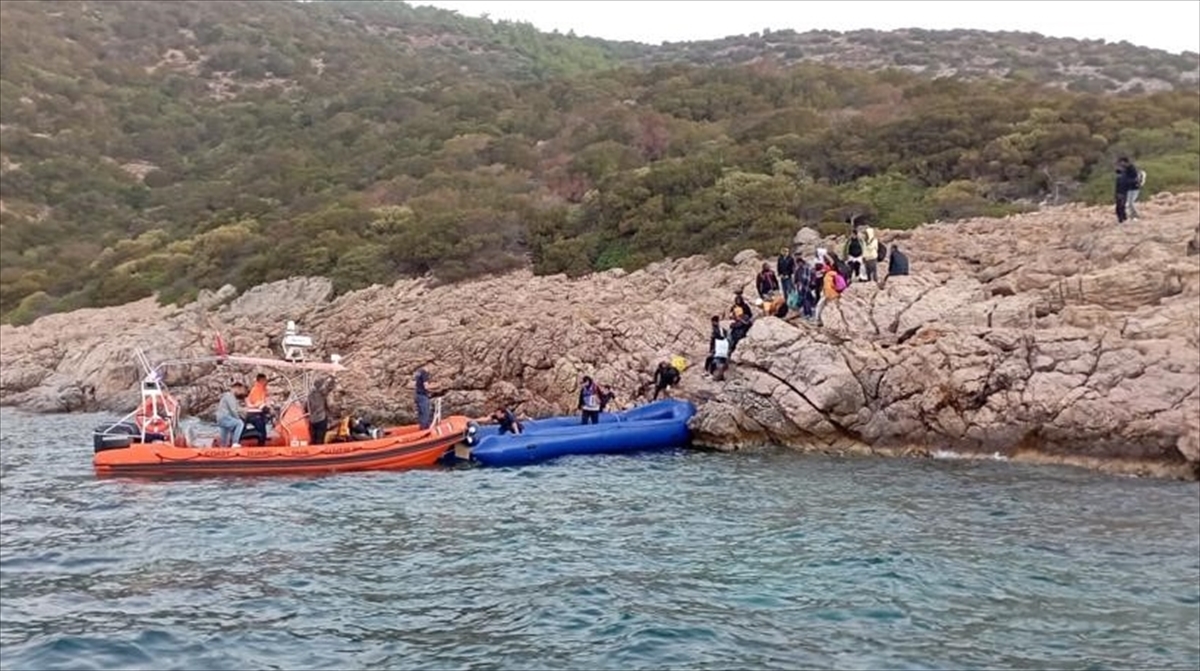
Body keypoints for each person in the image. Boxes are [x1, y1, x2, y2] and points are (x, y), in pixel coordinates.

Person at [215, 381, 247, 448]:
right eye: (240, 389)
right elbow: (233, 410)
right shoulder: (229, 396)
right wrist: (239, 418)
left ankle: (223, 448)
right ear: (236, 388)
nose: (240, 392)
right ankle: (235, 443)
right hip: (225, 417)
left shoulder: (228, 396)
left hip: (221, 418)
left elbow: (235, 409)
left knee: (224, 438)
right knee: (240, 423)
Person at [245, 373, 272, 446]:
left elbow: (265, 401)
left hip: (258, 413)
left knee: (263, 429)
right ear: (261, 380)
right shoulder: (256, 389)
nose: (266, 382)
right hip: (253, 414)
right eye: (265, 380)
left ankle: (262, 441)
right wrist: (268, 410)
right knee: (261, 432)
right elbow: (257, 403)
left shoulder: (263, 389)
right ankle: (260, 445)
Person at [307, 376, 335, 445]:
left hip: (312, 420)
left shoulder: (310, 395)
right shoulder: (322, 394)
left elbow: (306, 407)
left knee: (313, 439)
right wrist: (333, 378)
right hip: (321, 419)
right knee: (320, 439)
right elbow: (330, 388)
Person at [1114, 156, 1141, 224]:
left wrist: (1125, 181)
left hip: (1133, 188)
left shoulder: (1131, 169)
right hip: (1126, 189)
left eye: (1121, 163)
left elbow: (1134, 179)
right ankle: (1124, 218)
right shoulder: (1123, 170)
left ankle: (1135, 216)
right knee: (1123, 204)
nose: (1120, 165)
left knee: (1130, 203)